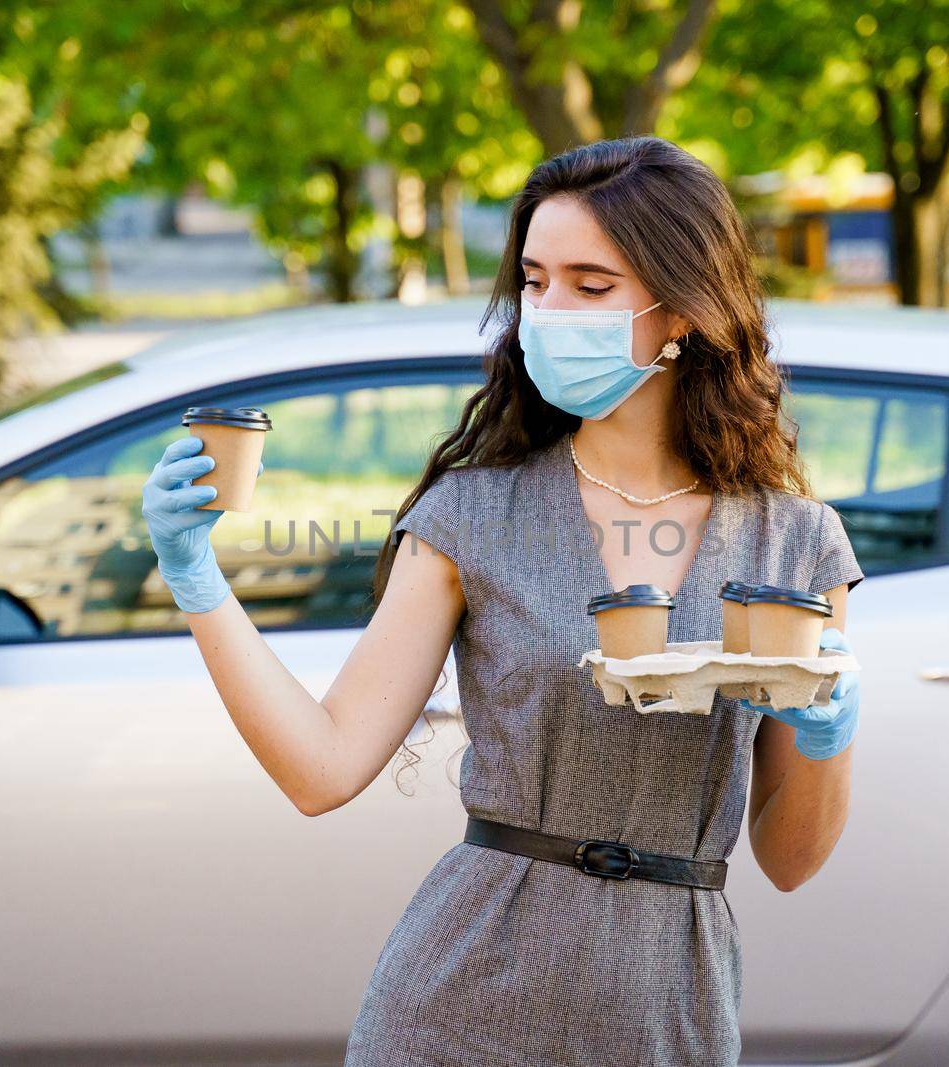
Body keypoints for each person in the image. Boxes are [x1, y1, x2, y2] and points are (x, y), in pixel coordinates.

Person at [141, 135, 865, 1066]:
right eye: (534, 280)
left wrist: (829, 733)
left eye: (590, 286)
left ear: (681, 310)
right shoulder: (471, 514)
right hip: (455, 1006)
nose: (548, 312)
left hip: (668, 1014)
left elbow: (792, 860)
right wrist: (197, 579)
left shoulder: (796, 543)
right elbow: (321, 769)